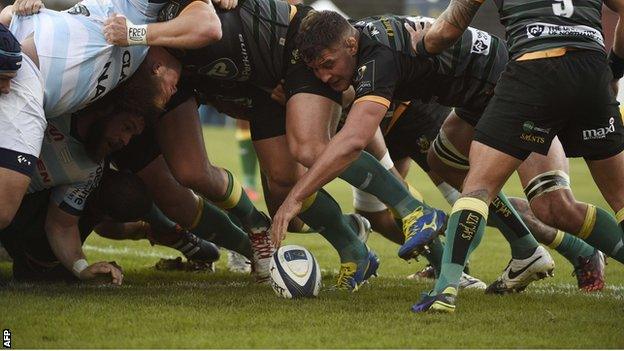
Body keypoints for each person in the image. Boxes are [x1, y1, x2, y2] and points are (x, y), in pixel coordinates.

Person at [397, 0, 624, 312]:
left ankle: (446, 289)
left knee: (479, 186)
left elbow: (445, 33)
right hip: (591, 71)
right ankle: (529, 250)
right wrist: (615, 69)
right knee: (616, 197)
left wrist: (421, 44)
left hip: (533, 72)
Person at [0, 0, 222, 235]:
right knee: (4, 208)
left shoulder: (134, 45)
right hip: (24, 76)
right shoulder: (135, 11)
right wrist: (15, 11)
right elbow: (209, 27)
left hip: (27, 76)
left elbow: (207, 25)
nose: (175, 89)